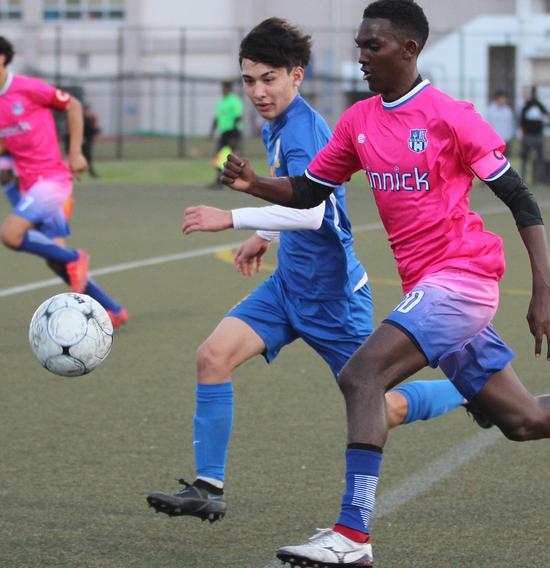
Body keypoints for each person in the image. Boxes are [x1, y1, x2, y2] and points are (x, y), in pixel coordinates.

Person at [219, 2, 550, 565]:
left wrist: (545, 288)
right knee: (522, 419)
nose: (362, 55)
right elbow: (309, 190)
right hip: (429, 289)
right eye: (360, 44)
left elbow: (519, 197)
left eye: (374, 45)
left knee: (362, 376)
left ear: (409, 49)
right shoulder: (358, 121)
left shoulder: (450, 116)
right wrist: (255, 185)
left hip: (463, 279)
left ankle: (352, 537)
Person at [146, 17, 469, 524]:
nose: (257, 91)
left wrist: (230, 218)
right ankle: (208, 487)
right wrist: (264, 238)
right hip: (288, 287)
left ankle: (467, 387)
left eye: (268, 78)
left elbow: (312, 210)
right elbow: (294, 196)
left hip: (333, 299)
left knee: (380, 408)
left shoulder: (303, 129)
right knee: (212, 356)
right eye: (249, 80)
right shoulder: (276, 124)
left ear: (297, 76)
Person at [0, 31, 128, 328]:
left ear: (1, 57)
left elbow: (72, 105)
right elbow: (5, 144)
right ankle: (112, 310)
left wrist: (75, 152)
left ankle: (75, 258)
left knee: (10, 235)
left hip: (53, 181)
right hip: (29, 185)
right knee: (54, 259)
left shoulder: (27, 87)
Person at [208, 79, 244, 188]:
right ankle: (219, 180)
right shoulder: (221, 102)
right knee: (219, 156)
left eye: (226, 87)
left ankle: (238, 181)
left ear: (229, 88)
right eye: (223, 87)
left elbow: (238, 117)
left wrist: (233, 134)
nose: (223, 89)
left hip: (233, 132)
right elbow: (217, 118)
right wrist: (211, 132)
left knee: (233, 157)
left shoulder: (234, 101)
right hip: (224, 133)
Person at [519, 85, 550, 181]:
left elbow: (547, 116)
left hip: (538, 135)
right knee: (525, 158)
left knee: (540, 159)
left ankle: (539, 179)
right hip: (529, 135)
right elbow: (522, 123)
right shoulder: (526, 107)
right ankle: (523, 178)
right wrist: (524, 136)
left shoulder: (539, 106)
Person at [485, 90, 516, 157]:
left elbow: (510, 124)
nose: (503, 100)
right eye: (501, 98)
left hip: (505, 140)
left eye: (504, 99)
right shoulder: (490, 110)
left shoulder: (508, 110)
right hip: (494, 142)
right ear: (497, 99)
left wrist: (509, 136)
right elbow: (487, 125)